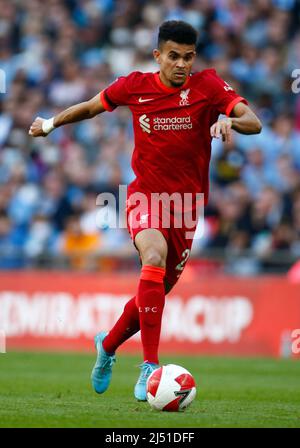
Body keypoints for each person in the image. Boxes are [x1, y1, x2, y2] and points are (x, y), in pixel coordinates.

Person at [29, 20, 262, 401]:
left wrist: (228, 119)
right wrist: (50, 124)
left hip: (186, 209)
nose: (181, 64)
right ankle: (151, 367)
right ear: (158, 56)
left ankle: (106, 347)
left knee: (153, 296)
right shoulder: (135, 85)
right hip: (145, 199)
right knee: (152, 258)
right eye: (173, 56)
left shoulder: (208, 86)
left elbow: (254, 122)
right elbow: (91, 107)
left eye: (188, 57)